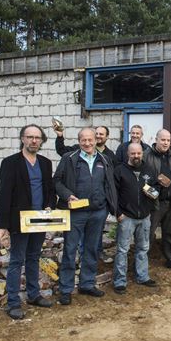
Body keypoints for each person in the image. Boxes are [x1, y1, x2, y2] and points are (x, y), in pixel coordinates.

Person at [0, 124, 56, 319]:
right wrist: (1, 225)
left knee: (33, 257)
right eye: (29, 137)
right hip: (20, 221)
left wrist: (49, 205)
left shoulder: (46, 163)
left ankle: (33, 295)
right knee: (16, 260)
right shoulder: (10, 163)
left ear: (42, 140)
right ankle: (13, 302)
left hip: (38, 220)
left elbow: (49, 190)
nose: (34, 141)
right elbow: (4, 195)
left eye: (37, 137)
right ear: (22, 139)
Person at [54, 127, 117, 305]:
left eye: (91, 140)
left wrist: (109, 207)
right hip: (76, 213)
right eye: (84, 140)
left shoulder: (104, 160)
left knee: (91, 249)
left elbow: (109, 184)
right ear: (79, 141)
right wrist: (67, 196)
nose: (88, 143)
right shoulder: (69, 159)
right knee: (70, 250)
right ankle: (66, 289)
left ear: (96, 140)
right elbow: (56, 181)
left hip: (97, 212)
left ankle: (87, 284)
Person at [113, 143, 158, 294]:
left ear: (142, 153)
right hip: (126, 217)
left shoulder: (149, 170)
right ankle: (120, 281)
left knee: (143, 249)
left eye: (138, 153)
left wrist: (152, 193)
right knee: (122, 249)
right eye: (133, 154)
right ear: (128, 154)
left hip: (144, 216)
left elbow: (156, 190)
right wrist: (118, 213)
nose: (136, 156)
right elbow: (114, 194)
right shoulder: (119, 170)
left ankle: (143, 276)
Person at [145, 129, 171, 270]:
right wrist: (153, 189)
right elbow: (142, 181)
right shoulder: (147, 156)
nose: (166, 143)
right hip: (154, 203)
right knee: (149, 233)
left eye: (168, 140)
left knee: (170, 233)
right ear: (156, 139)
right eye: (163, 140)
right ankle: (143, 261)